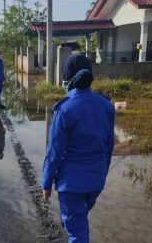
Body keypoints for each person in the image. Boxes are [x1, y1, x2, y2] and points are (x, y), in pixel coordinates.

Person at [41, 54, 115, 243]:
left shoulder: (64, 110)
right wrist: (102, 173)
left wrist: (46, 184)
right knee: (79, 220)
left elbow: (53, 153)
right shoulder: (106, 105)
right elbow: (109, 146)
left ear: (66, 78)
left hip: (71, 183)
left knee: (76, 232)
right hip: (96, 180)